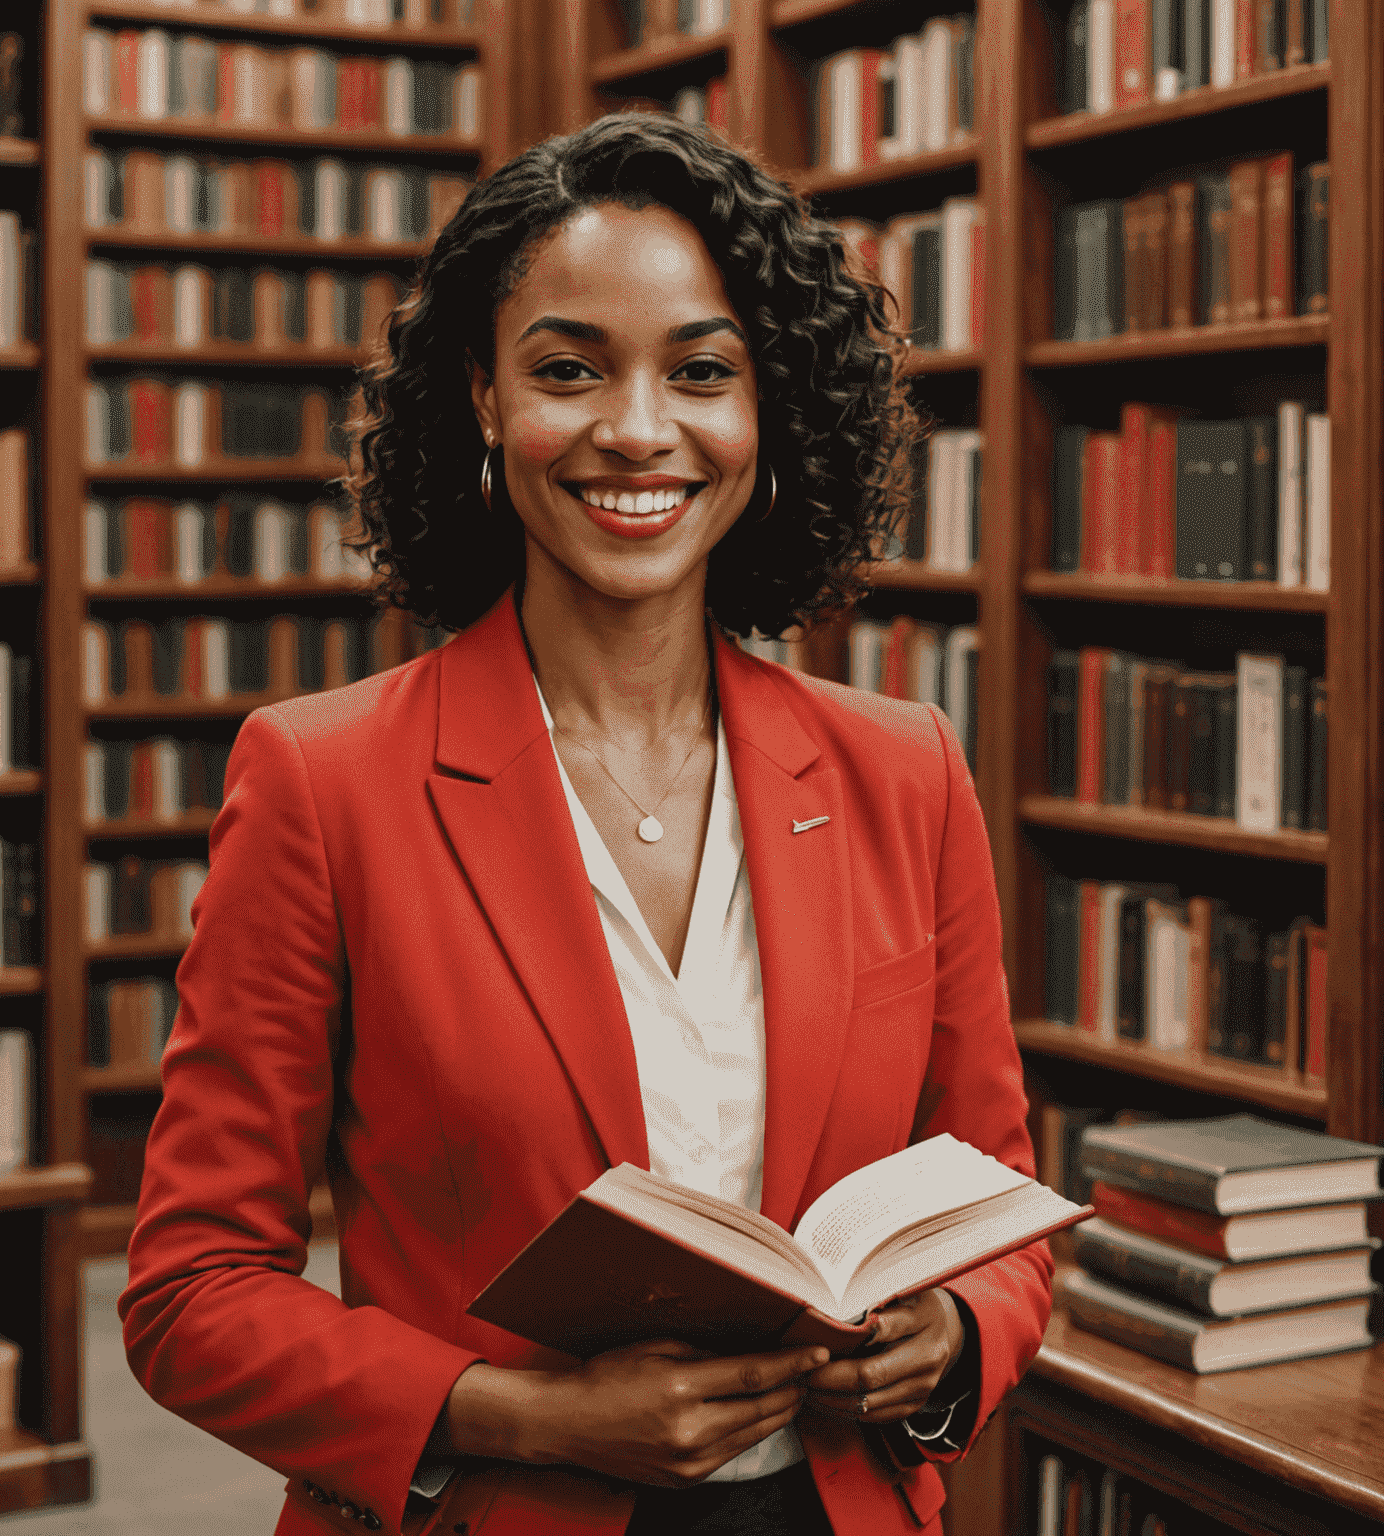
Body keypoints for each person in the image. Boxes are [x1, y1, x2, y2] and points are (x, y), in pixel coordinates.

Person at [120, 113, 1052, 1536]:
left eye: (701, 372)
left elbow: (997, 1199)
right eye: (569, 370)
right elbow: (192, 1293)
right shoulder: (323, 783)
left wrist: (953, 1337)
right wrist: (525, 1414)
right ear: (487, 401)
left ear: (768, 410)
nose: (637, 428)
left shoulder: (902, 768)